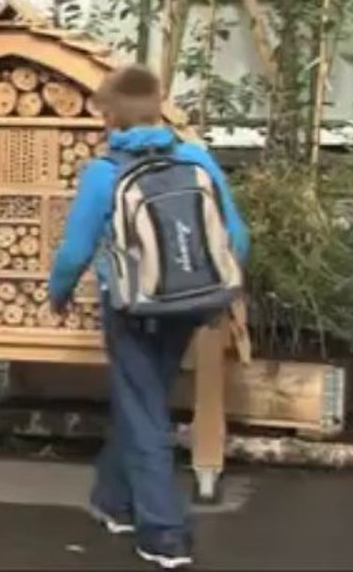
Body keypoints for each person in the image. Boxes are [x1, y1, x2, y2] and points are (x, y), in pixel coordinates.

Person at [47, 65, 248, 570]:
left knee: (144, 412)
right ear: (159, 109)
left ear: (110, 118)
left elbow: (74, 252)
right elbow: (237, 236)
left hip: (134, 310)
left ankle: (163, 533)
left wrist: (59, 294)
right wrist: (216, 291)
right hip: (190, 306)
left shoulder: (104, 174)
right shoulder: (198, 159)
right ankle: (113, 501)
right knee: (144, 400)